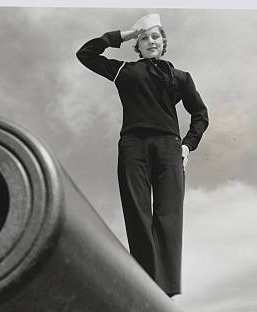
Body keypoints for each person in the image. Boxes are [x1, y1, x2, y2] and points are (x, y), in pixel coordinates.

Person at [76, 14, 208, 297]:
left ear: (163, 43)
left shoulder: (181, 77)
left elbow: (200, 114)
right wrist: (126, 34)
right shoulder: (125, 70)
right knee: (138, 213)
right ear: (139, 44)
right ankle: (147, 285)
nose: (150, 42)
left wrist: (187, 145)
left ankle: (167, 290)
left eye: (155, 37)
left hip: (169, 147)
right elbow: (85, 54)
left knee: (168, 215)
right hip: (133, 146)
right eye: (145, 38)